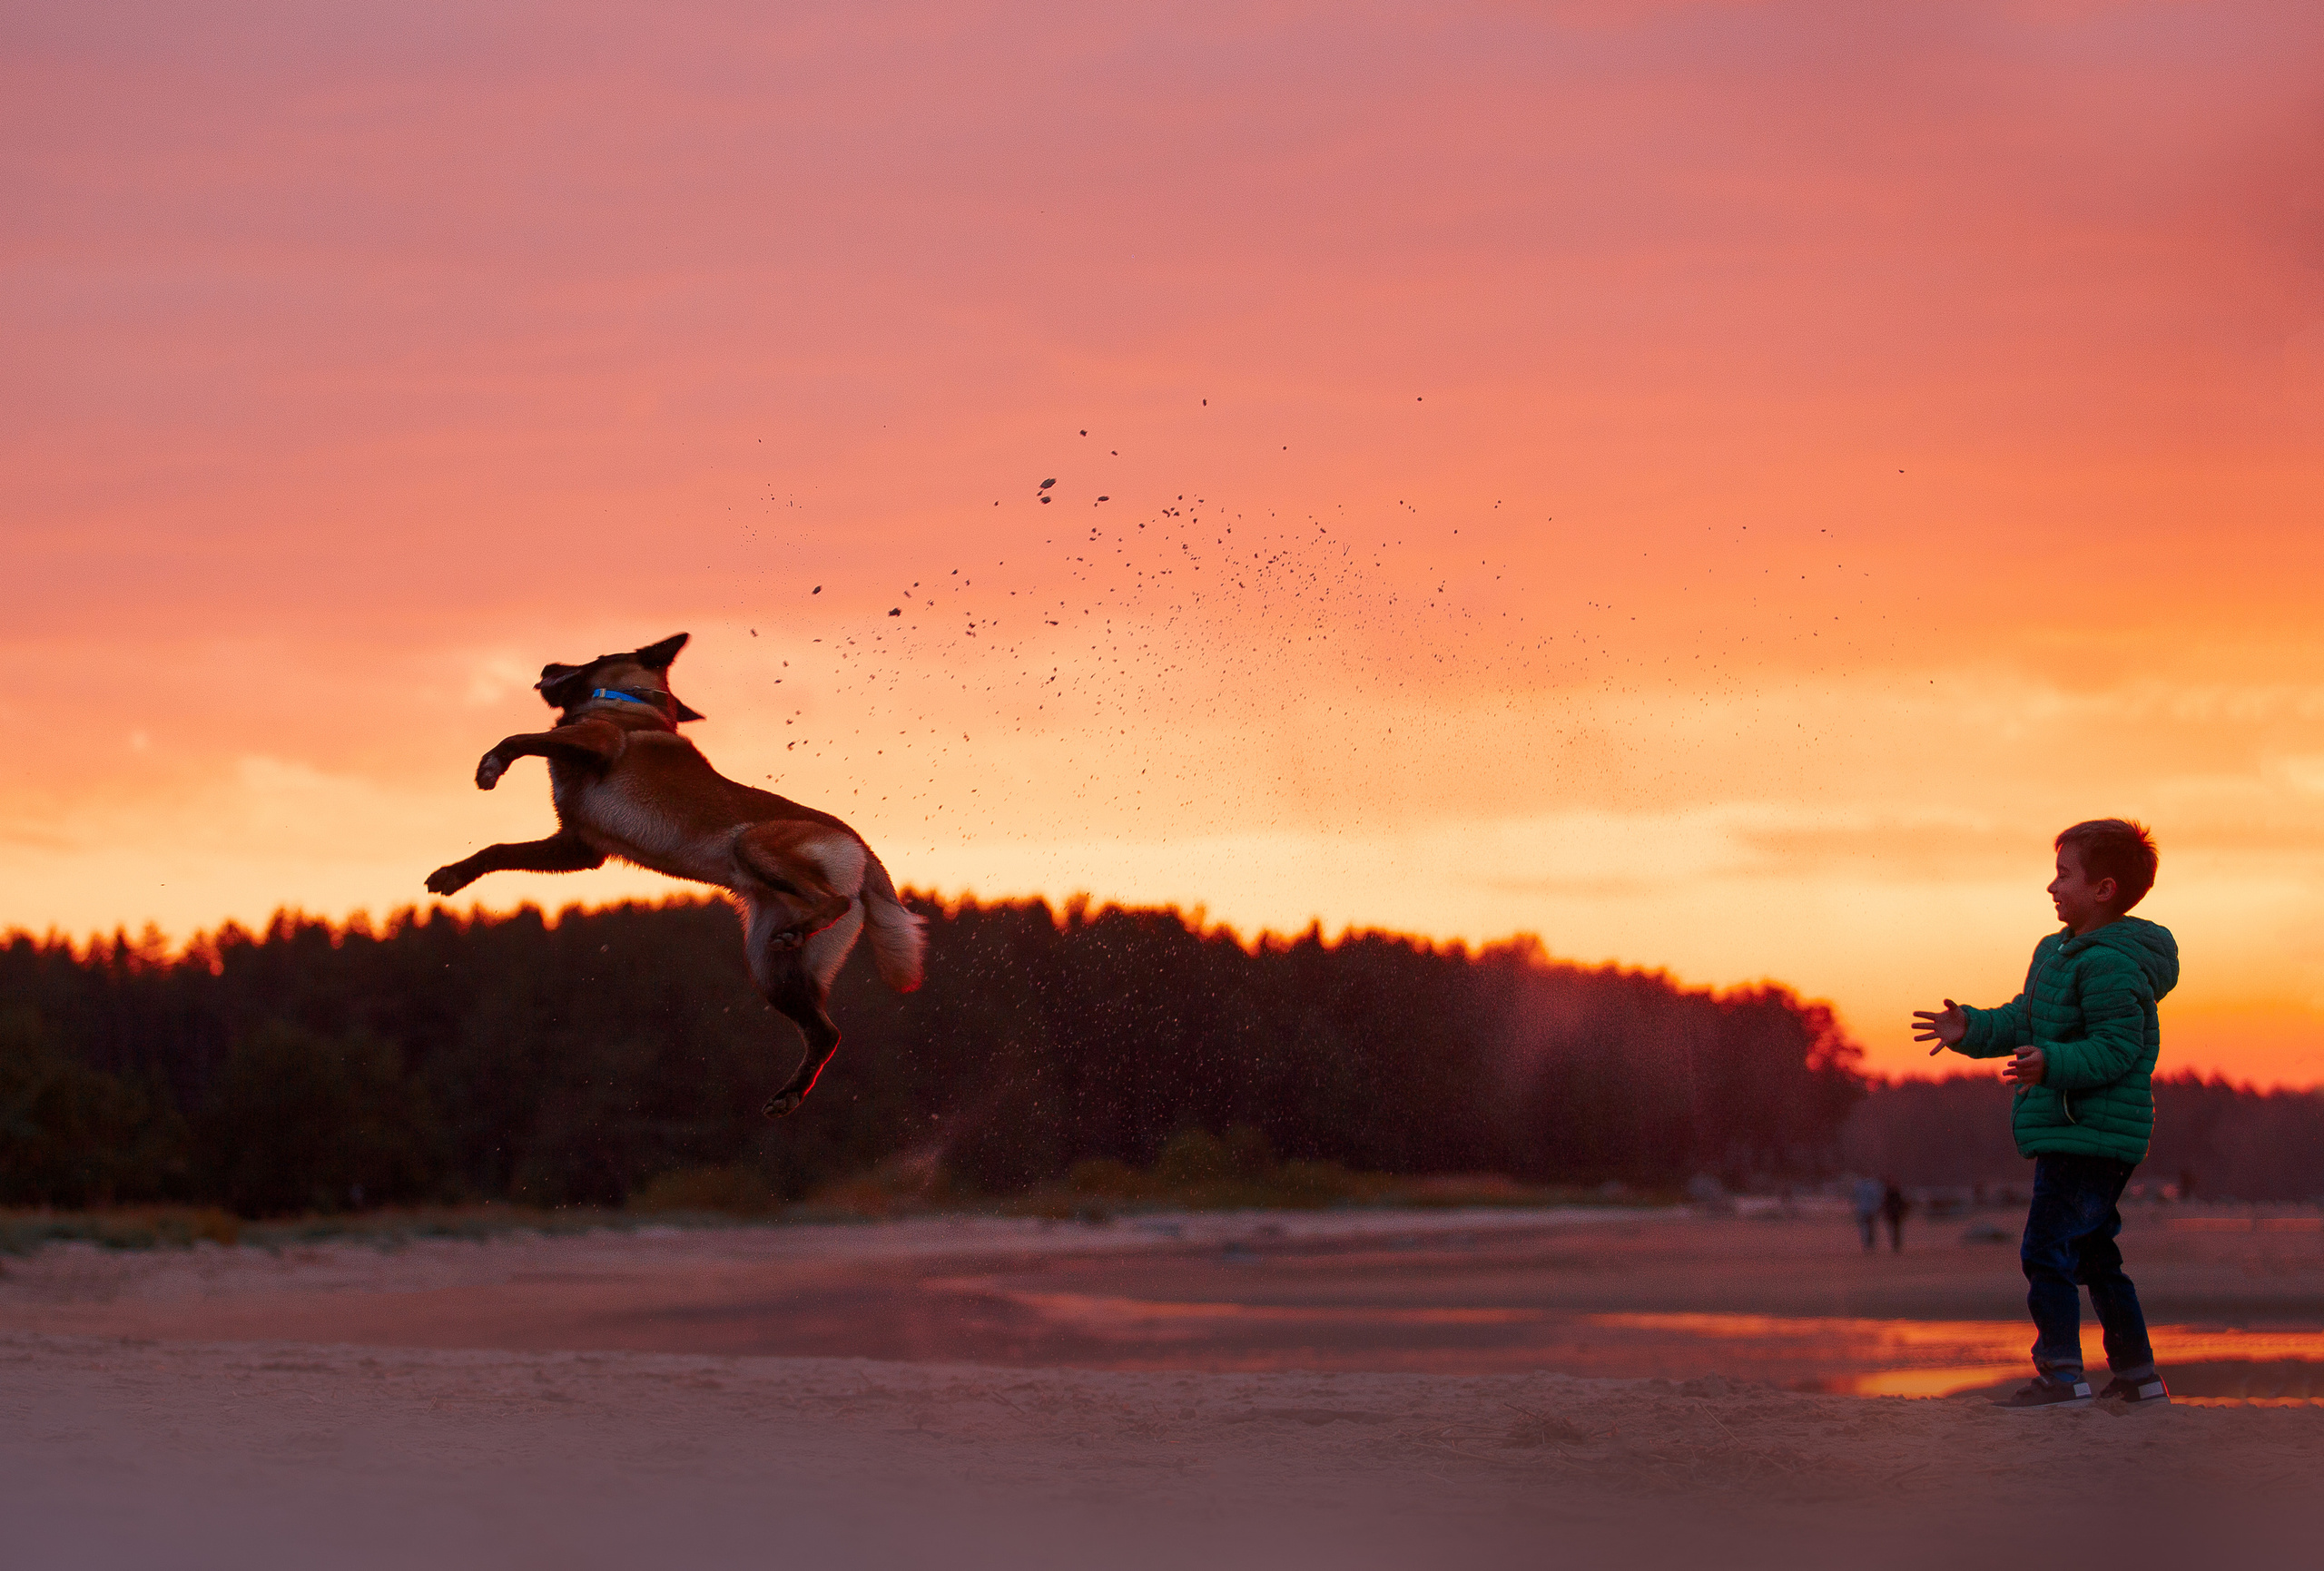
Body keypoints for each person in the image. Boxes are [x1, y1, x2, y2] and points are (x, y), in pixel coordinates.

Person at [1913, 819, 2177, 1410]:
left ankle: (2062, 1375)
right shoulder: (2055, 952)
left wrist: (2052, 1062)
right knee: (2092, 1253)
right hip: (2074, 1127)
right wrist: (1970, 1027)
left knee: (2044, 1248)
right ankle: (2139, 1376)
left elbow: (2118, 1048)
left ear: (2103, 888)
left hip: (2090, 1131)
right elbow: (2023, 1018)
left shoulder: (2110, 963)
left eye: (2064, 874)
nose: (2052, 886)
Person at [1851, 1175, 1882, 1252]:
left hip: (1861, 1210)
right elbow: (1876, 1199)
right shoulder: (1872, 1187)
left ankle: (1865, 1244)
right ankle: (1871, 1244)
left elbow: (1854, 1198)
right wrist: (1877, 1208)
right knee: (1871, 1228)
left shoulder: (1858, 1187)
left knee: (1864, 1227)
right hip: (1871, 1210)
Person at [1879, 1180, 1910, 1252]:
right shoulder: (1889, 1194)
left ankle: (1896, 1243)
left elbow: (1903, 1204)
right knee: (1894, 1229)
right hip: (1892, 1213)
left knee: (1896, 1229)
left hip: (1896, 1213)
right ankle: (1895, 1242)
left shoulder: (1896, 1194)